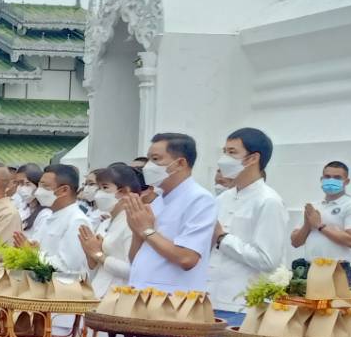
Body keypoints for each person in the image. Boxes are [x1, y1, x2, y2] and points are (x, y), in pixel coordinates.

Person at [21, 163, 91, 337]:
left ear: (63, 189)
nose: (39, 190)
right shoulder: (51, 216)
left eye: (45, 186)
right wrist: (30, 254)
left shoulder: (76, 220)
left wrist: (34, 256)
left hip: (63, 302)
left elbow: (70, 266)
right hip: (43, 300)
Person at [125, 132, 218, 312]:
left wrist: (147, 231)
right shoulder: (158, 200)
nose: (149, 166)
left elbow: (187, 258)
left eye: (156, 159)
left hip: (172, 304)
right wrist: (137, 231)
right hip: (141, 296)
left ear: (180, 163)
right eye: (148, 159)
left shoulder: (200, 199)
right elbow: (135, 260)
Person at [208, 128, 290, 325]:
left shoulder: (268, 201)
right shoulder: (222, 198)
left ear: (252, 158)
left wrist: (222, 238)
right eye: (224, 151)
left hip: (241, 306)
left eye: (232, 152)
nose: (224, 159)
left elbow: (268, 259)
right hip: (209, 299)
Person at [292, 161, 351, 282]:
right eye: (327, 177)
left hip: (337, 269)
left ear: (346, 181)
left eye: (337, 177)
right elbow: (295, 242)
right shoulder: (313, 206)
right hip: (310, 267)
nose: (331, 180)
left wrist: (320, 226)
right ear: (321, 179)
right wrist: (307, 224)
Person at [79, 163, 143, 292]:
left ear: (124, 191)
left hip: (119, 294)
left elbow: (134, 270)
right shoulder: (105, 223)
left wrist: (98, 255)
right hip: (98, 290)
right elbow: (94, 267)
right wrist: (89, 252)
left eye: (105, 188)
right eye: (98, 188)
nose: (99, 193)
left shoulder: (132, 223)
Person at [13, 163, 45, 232]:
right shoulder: (22, 208)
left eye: (27, 183)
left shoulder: (45, 214)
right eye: (18, 183)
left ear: (37, 184)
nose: (20, 188)